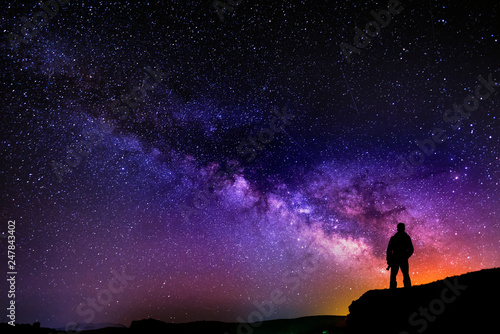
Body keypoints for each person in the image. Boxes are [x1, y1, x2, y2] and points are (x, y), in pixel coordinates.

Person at [386, 223, 414, 289]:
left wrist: (389, 260)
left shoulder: (395, 238)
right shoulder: (404, 237)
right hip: (398, 259)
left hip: (398, 259)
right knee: (401, 275)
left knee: (401, 275)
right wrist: (406, 256)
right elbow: (389, 250)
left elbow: (389, 250)